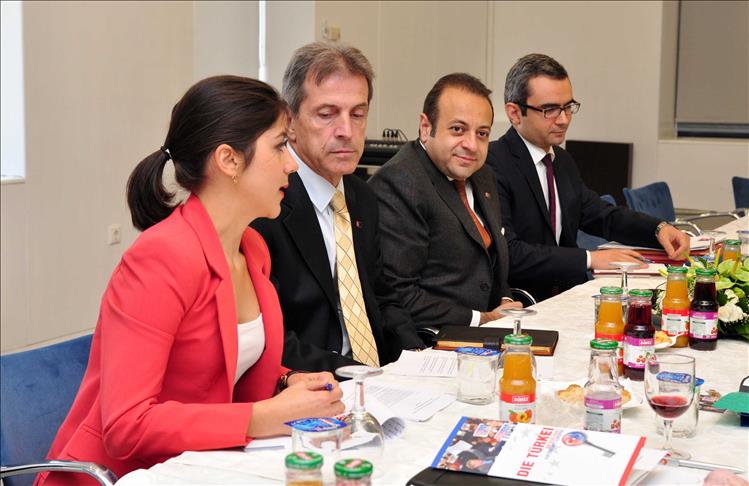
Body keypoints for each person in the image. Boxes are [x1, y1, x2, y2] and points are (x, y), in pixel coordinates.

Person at [39, 76, 344, 485]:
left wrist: (287, 380)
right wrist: (260, 417)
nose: (292, 164)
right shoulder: (159, 259)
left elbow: (218, 368)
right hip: (122, 476)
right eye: (279, 147)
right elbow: (127, 426)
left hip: (202, 465)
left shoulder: (252, 248)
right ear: (229, 160)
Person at [251, 42, 424, 374]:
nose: (347, 131)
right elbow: (272, 339)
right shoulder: (266, 204)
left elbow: (381, 297)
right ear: (290, 121)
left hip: (380, 378)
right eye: (327, 114)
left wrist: (418, 359)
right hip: (314, 382)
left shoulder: (362, 197)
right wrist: (358, 375)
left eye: (358, 114)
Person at [486, 54, 690, 301]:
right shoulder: (493, 164)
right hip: (525, 302)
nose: (563, 119)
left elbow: (602, 215)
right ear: (515, 113)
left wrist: (658, 229)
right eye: (550, 110)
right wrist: (589, 258)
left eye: (568, 107)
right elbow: (510, 253)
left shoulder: (561, 161)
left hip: (570, 293)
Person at [369, 73, 521, 328]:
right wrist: (481, 319)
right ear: (425, 127)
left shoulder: (483, 175)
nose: (472, 145)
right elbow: (399, 295)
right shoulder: (400, 182)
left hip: (491, 329)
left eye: (482, 133)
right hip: (434, 339)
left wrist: (505, 300)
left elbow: (490, 262)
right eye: (458, 129)